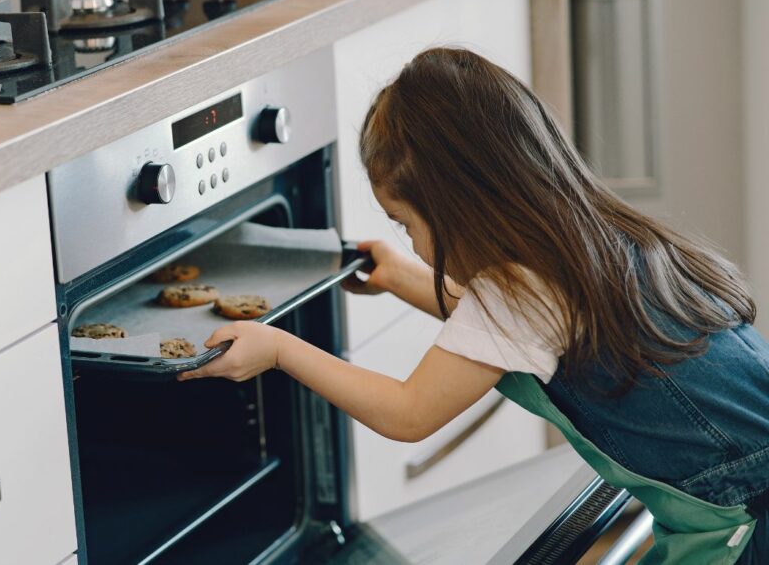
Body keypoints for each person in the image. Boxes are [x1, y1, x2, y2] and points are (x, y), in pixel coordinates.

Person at [177, 48, 769, 563]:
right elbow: (510, 331)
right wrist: (403, 276)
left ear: (460, 208)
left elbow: (408, 414)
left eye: (407, 224)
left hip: (743, 516)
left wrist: (280, 348)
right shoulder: (597, 239)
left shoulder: (517, 291)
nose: (411, 240)